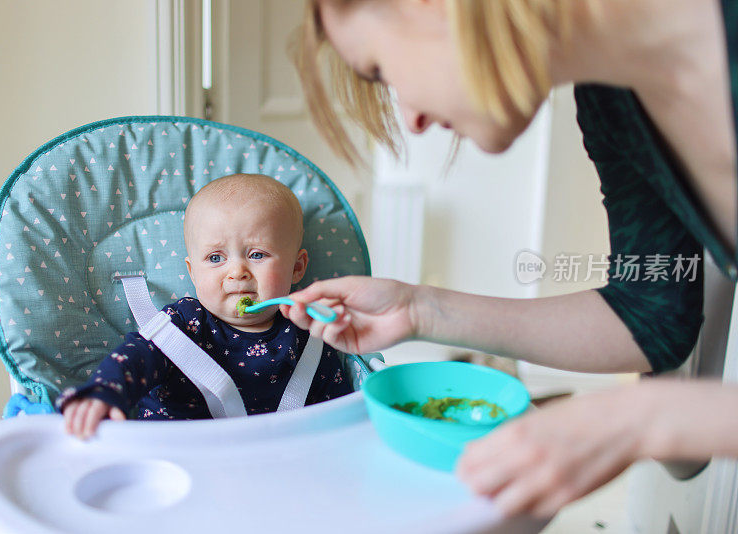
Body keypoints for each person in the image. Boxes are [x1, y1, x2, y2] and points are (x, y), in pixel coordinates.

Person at [281, 0, 738, 518]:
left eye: (381, 71)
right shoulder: (611, 104)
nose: (411, 120)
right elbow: (650, 317)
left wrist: (641, 419)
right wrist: (418, 311)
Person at [58, 173, 353, 439]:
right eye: (215, 258)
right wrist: (105, 392)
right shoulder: (183, 324)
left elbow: (338, 411)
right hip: (181, 459)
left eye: (257, 254)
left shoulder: (308, 329)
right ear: (192, 273)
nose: (237, 272)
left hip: (276, 462)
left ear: (297, 267)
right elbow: (134, 359)